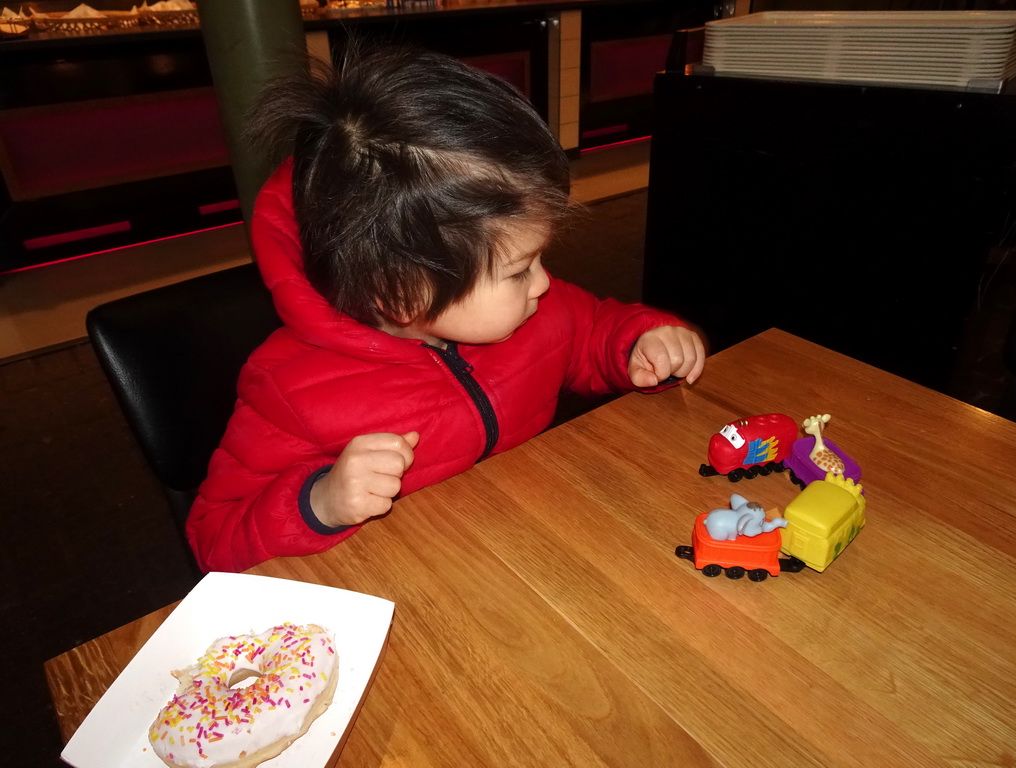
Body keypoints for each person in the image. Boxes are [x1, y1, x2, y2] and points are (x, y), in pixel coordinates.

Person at [186, 46, 705, 573]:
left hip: (529, 550)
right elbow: (213, 540)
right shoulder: (287, 392)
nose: (545, 282)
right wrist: (320, 502)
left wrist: (640, 342)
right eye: (519, 268)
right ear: (401, 294)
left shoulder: (535, 310)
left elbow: (592, 332)